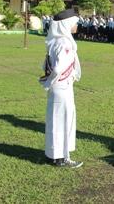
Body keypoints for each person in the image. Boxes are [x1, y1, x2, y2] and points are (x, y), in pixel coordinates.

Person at [39, 9, 83, 168]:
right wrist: (49, 81)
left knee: (54, 120)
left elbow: (45, 64)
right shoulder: (65, 43)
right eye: (74, 23)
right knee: (64, 120)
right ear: (67, 24)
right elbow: (58, 69)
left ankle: (53, 154)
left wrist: (49, 82)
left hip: (57, 88)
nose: (76, 25)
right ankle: (62, 158)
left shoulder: (54, 41)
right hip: (62, 87)